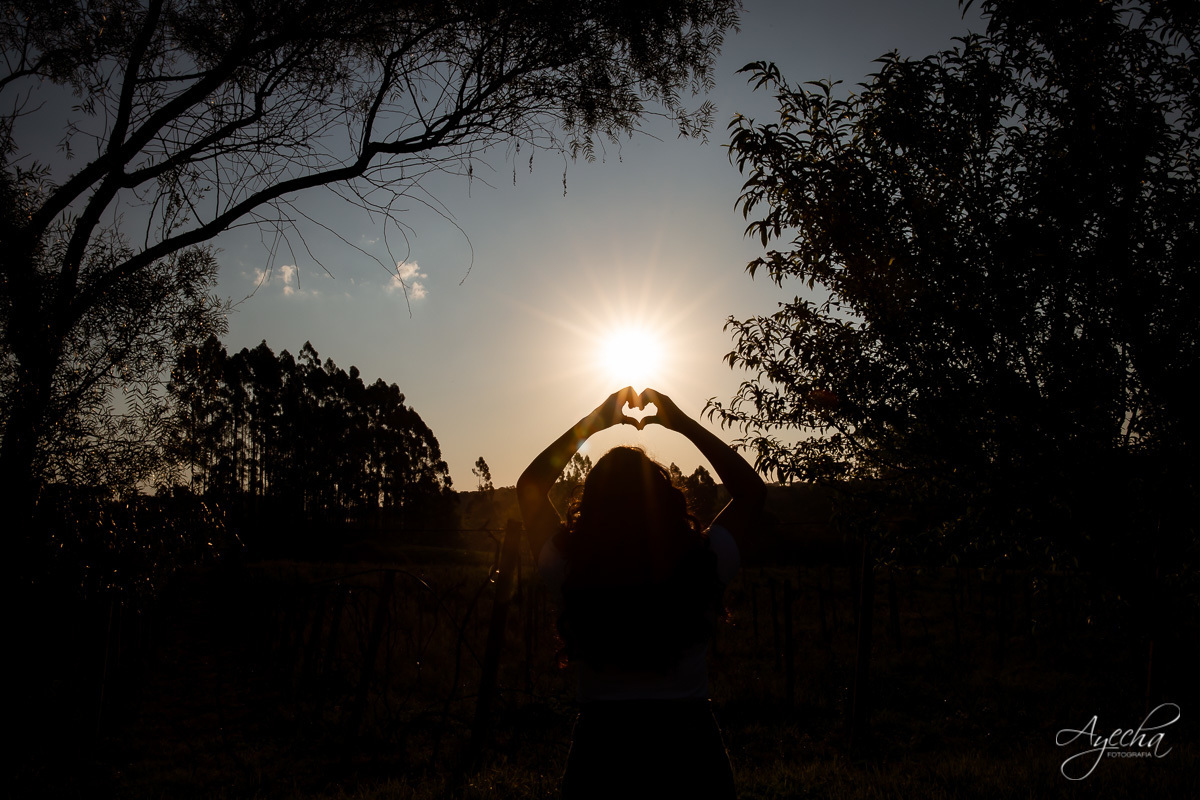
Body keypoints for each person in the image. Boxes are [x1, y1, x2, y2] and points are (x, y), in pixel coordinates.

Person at [517, 387, 766, 799]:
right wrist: (684, 425)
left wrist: (594, 422)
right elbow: (753, 493)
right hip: (690, 748)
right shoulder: (701, 561)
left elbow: (529, 485)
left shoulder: (570, 567)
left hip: (602, 749)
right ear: (664, 500)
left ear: (591, 506)